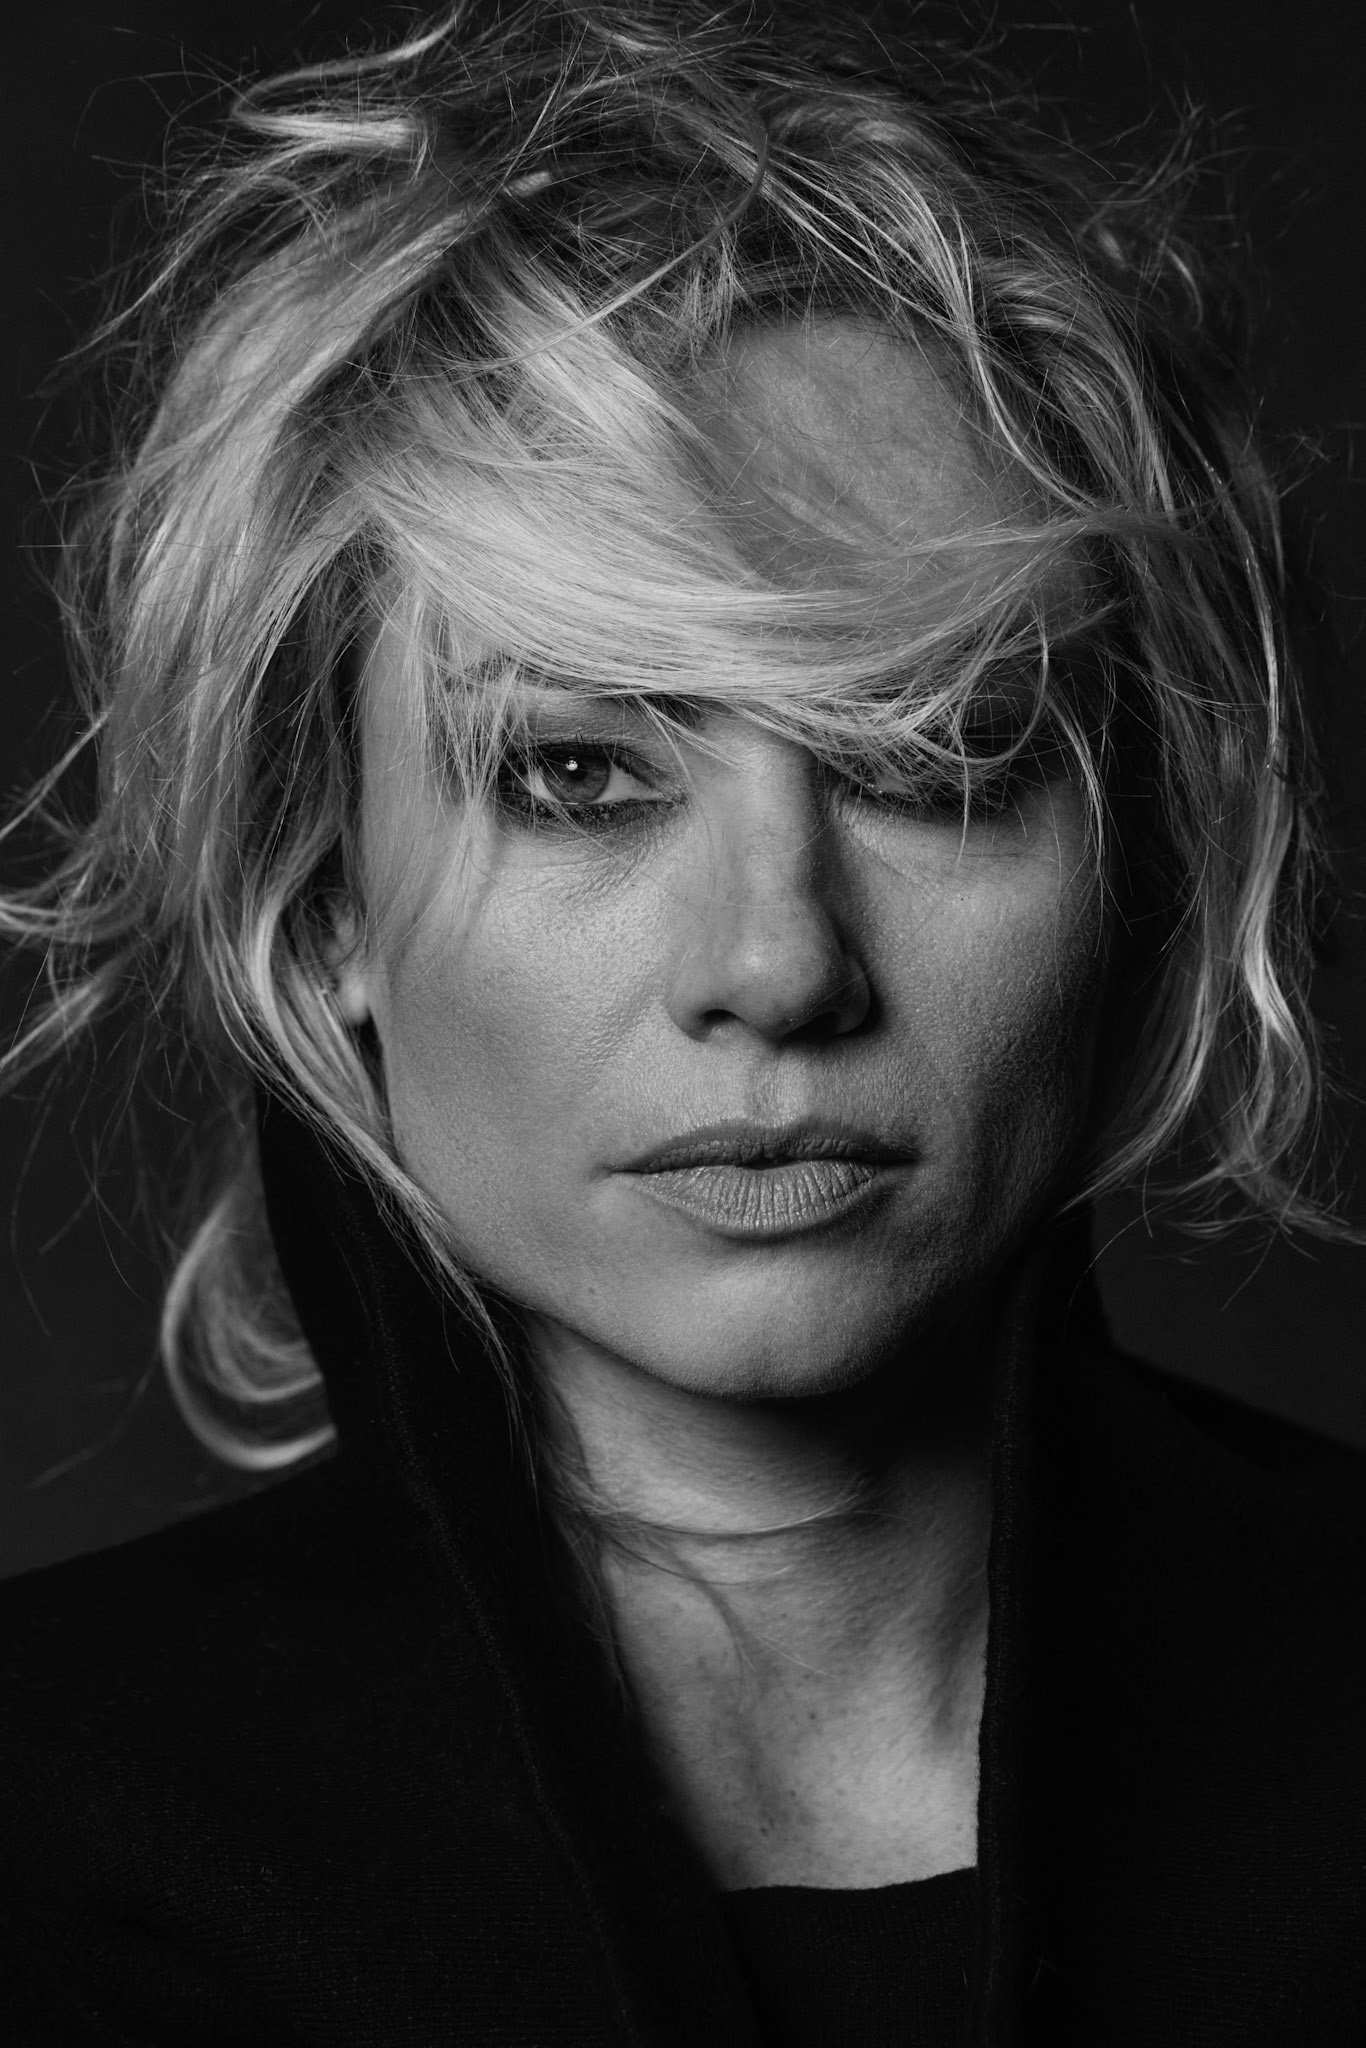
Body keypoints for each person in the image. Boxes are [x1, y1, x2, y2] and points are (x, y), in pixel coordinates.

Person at [1, 0, 1363, 2040]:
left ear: (1147, 857)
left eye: (938, 758)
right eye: (577, 773)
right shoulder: (43, 1837)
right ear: (325, 896)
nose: (779, 963)